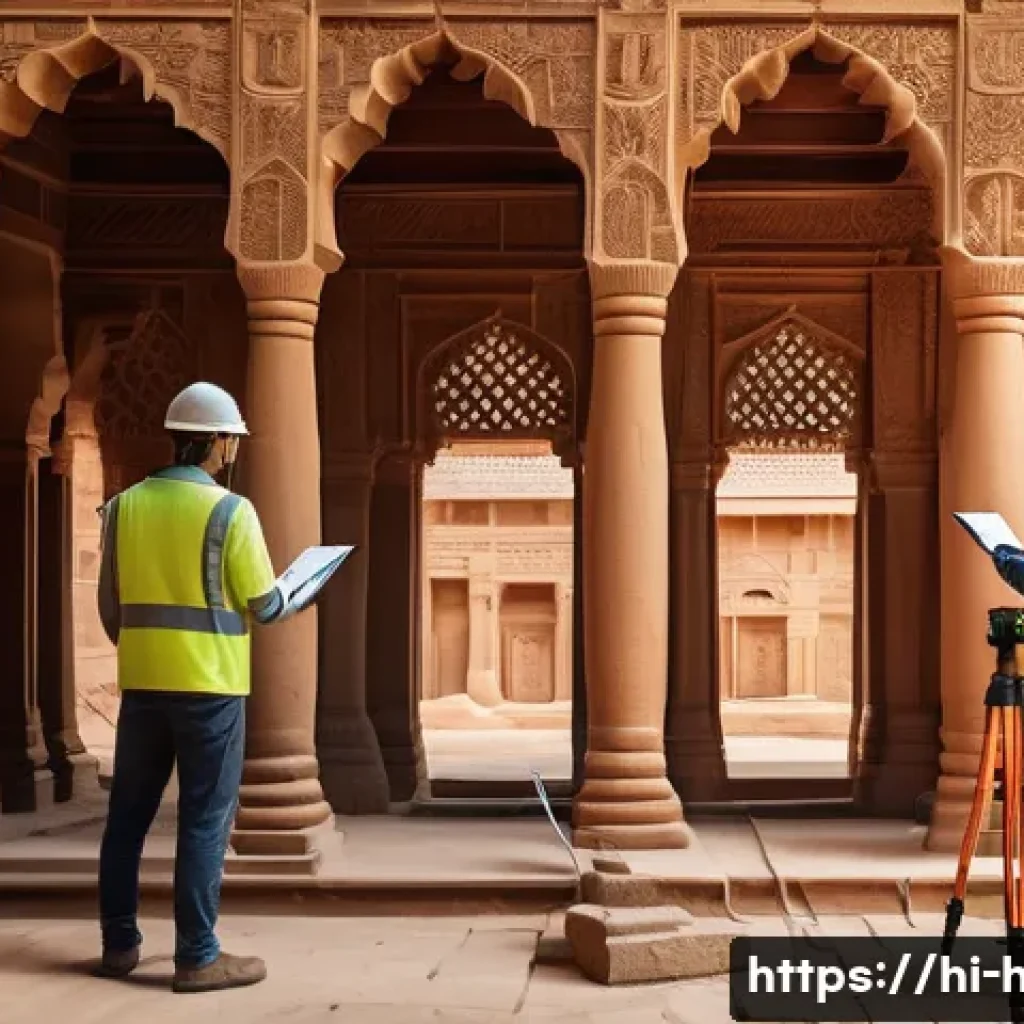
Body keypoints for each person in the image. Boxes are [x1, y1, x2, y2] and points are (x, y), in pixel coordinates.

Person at [95, 381, 287, 994]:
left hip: (144, 684)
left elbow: (110, 605)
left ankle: (120, 945)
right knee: (205, 820)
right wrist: (293, 592)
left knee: (127, 818)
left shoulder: (123, 506)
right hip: (211, 685)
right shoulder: (232, 512)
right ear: (222, 444)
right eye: (233, 439)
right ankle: (198, 956)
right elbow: (263, 602)